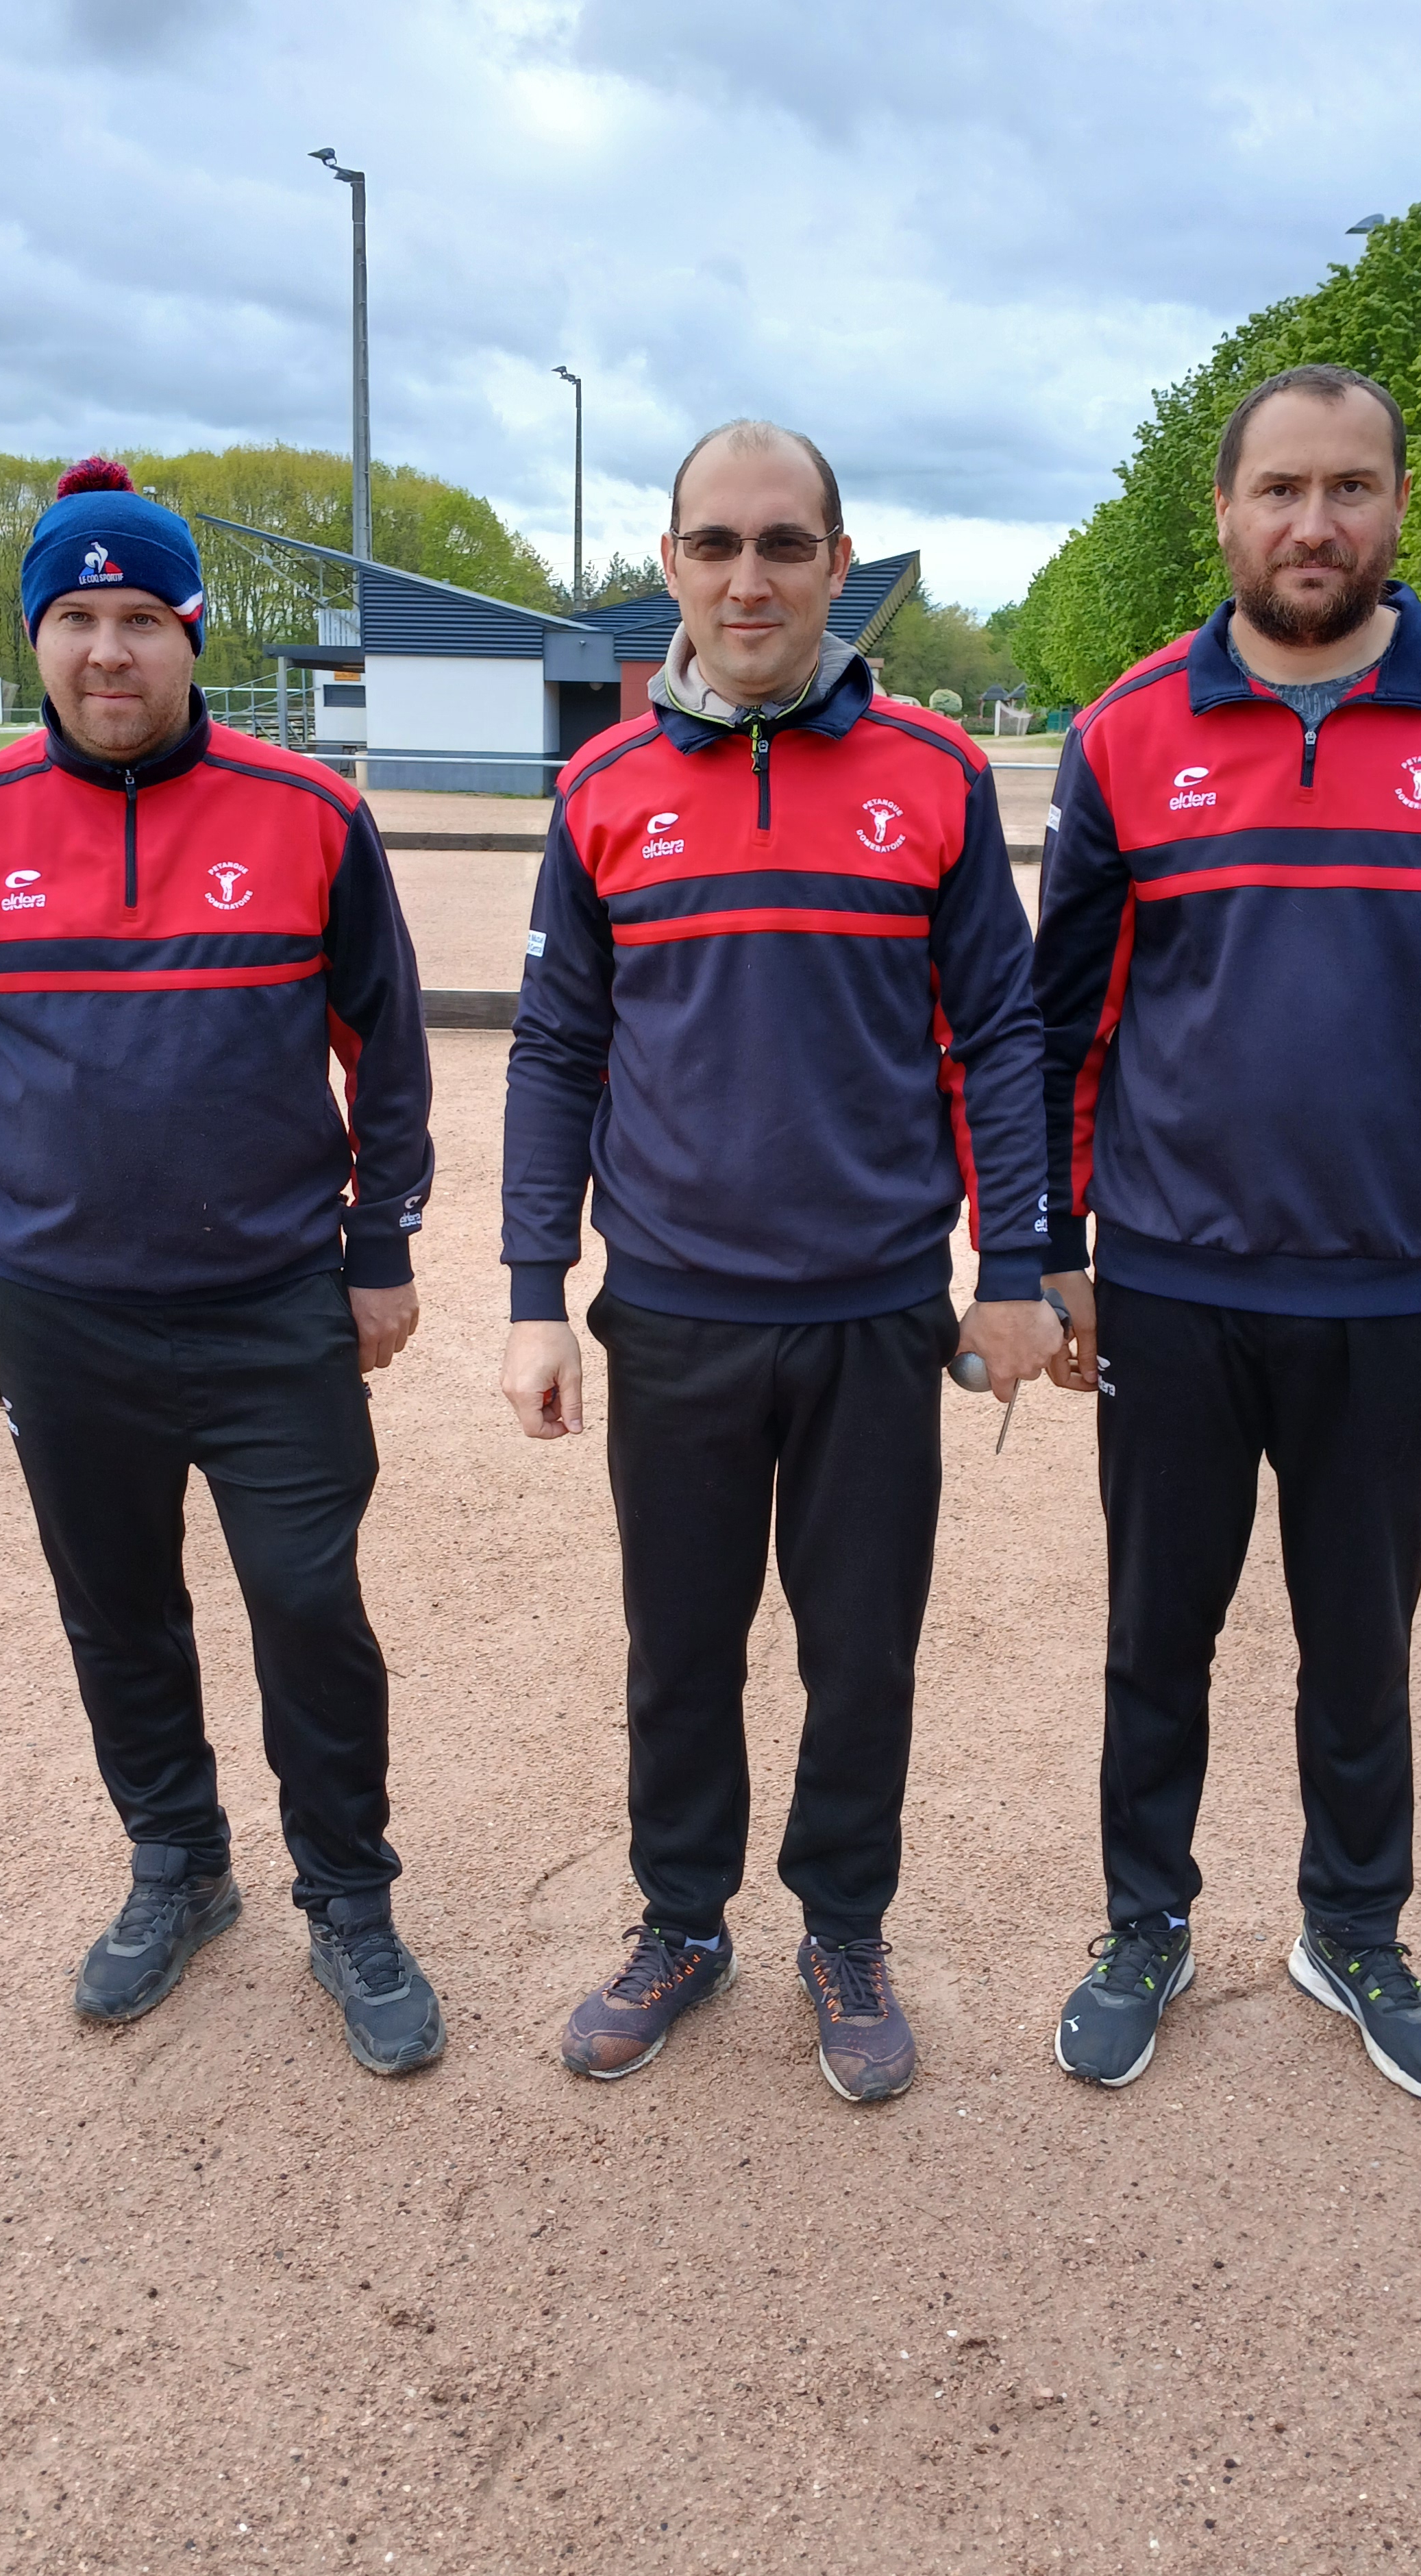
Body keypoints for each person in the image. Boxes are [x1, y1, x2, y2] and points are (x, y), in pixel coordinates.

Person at [1033, 365, 1421, 2104]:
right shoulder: (1127, 731)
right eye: (1281, 489)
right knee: (1158, 1633)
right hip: (1178, 1283)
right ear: (1226, 511)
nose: (1314, 523)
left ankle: (1353, 1930)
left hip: (1394, 1280)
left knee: (1363, 1633)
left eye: (1351, 489)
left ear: (1397, 506)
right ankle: (1145, 1921)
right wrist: (1057, 1252)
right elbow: (1064, 1022)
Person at [0, 458, 447, 2077]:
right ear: (39, 638)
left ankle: (349, 1898)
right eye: (76, 619)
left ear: (193, 632)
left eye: (140, 618)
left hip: (272, 1302)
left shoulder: (309, 813)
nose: (108, 651)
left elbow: (385, 1049)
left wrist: (379, 1242)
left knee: (309, 1603)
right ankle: (178, 1866)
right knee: (117, 1610)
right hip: (61, 1310)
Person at [499, 418, 1065, 2103]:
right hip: (671, 1307)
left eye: (786, 544)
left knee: (860, 1649)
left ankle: (844, 1928)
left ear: (841, 562)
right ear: (668, 565)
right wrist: (536, 1295)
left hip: (875, 1310)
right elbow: (555, 1052)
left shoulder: (936, 778)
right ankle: (680, 1921)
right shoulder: (601, 789)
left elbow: (1002, 1033)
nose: (750, 578)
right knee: (678, 1644)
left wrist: (1015, 1263)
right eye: (716, 545)